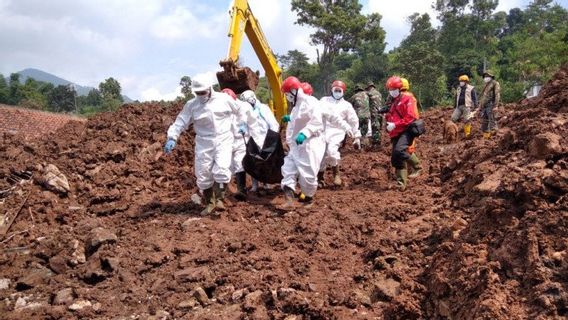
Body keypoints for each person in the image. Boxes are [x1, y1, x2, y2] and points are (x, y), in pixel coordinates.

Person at [164, 75, 244, 216]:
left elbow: (240, 110)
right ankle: (209, 203)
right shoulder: (192, 105)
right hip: (203, 142)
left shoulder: (224, 99)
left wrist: (242, 123)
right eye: (198, 93)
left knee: (222, 169)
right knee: (203, 174)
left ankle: (219, 199)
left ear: (209, 88)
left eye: (203, 92)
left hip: (223, 138)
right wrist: (172, 137)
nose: (201, 95)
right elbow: (180, 122)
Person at [280, 76, 325, 208]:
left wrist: (304, 133)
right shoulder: (296, 107)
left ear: (295, 91)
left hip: (309, 144)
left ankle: (309, 197)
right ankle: (289, 200)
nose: (287, 97)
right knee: (287, 169)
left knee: (308, 175)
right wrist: (288, 139)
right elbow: (294, 125)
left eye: (288, 94)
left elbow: (316, 122)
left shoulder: (311, 102)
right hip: (295, 146)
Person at [318, 80, 360, 187]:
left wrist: (356, 136)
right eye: (335, 90)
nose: (337, 92)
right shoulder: (324, 100)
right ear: (332, 90)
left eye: (339, 90)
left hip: (338, 131)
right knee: (320, 154)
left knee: (331, 151)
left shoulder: (347, 105)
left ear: (343, 91)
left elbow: (353, 120)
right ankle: (320, 178)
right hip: (323, 129)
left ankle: (336, 174)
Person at [239, 90, 280, 194]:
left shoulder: (263, 109)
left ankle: (266, 183)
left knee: (267, 162)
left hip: (266, 140)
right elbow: (246, 124)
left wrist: (272, 139)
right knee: (254, 162)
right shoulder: (246, 111)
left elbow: (273, 124)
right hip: (253, 141)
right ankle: (254, 185)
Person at [222, 88, 257, 201]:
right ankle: (222, 192)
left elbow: (253, 122)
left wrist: (254, 137)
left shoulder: (244, 106)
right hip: (228, 140)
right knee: (224, 166)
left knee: (239, 163)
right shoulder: (222, 108)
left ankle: (241, 190)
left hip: (241, 139)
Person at [384, 76, 419, 191]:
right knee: (396, 157)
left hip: (406, 130)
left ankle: (417, 166)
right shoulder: (394, 101)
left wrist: (395, 124)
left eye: (393, 89)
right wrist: (387, 120)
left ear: (399, 88)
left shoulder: (407, 98)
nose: (391, 91)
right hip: (396, 132)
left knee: (400, 151)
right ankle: (401, 184)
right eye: (390, 89)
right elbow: (392, 115)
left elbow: (411, 116)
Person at [400, 78, 422, 178]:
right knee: (404, 148)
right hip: (410, 125)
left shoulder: (405, 98)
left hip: (407, 125)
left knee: (407, 148)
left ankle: (417, 168)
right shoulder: (410, 96)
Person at [478, 70, 501, 139]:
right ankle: (486, 139)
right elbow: (483, 97)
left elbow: (497, 95)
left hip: (491, 105)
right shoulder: (486, 85)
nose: (486, 77)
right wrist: (480, 106)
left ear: (491, 77)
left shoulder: (495, 83)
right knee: (484, 123)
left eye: (487, 76)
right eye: (485, 76)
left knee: (492, 122)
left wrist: (496, 106)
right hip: (485, 106)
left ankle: (495, 139)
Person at [365, 82, 384, 147]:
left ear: (369, 87)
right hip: (380, 112)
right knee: (378, 127)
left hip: (373, 112)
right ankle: (378, 142)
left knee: (374, 127)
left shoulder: (368, 93)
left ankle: (376, 144)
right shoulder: (379, 93)